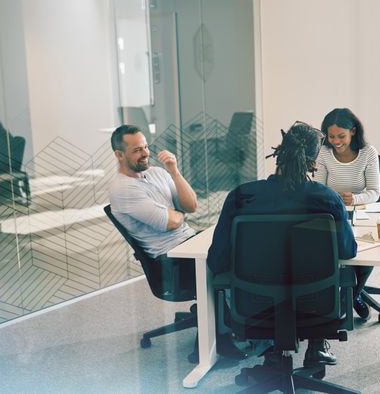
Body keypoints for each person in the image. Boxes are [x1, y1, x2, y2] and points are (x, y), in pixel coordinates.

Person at [208, 121, 358, 368]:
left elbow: (217, 260)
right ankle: (316, 346)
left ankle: (271, 352)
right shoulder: (327, 199)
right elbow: (348, 251)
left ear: (279, 152)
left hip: (254, 306)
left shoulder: (242, 196)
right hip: (316, 307)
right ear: (313, 162)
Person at [108, 124, 245, 360]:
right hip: (170, 261)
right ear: (119, 154)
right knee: (229, 262)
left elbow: (191, 205)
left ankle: (235, 319)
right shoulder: (122, 189)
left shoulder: (158, 173)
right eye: (137, 150)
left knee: (241, 247)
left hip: (188, 241)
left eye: (146, 147)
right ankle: (219, 338)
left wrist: (174, 172)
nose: (145, 153)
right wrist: (177, 214)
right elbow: (170, 222)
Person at [314, 108, 377, 320]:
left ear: (353, 131)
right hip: (331, 214)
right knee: (331, 251)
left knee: (366, 255)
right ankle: (341, 295)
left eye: (341, 136)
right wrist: (331, 200)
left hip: (360, 214)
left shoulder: (368, 152)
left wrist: (355, 199)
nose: (336, 141)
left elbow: (375, 192)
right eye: (331, 136)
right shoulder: (323, 152)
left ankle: (354, 295)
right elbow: (317, 188)